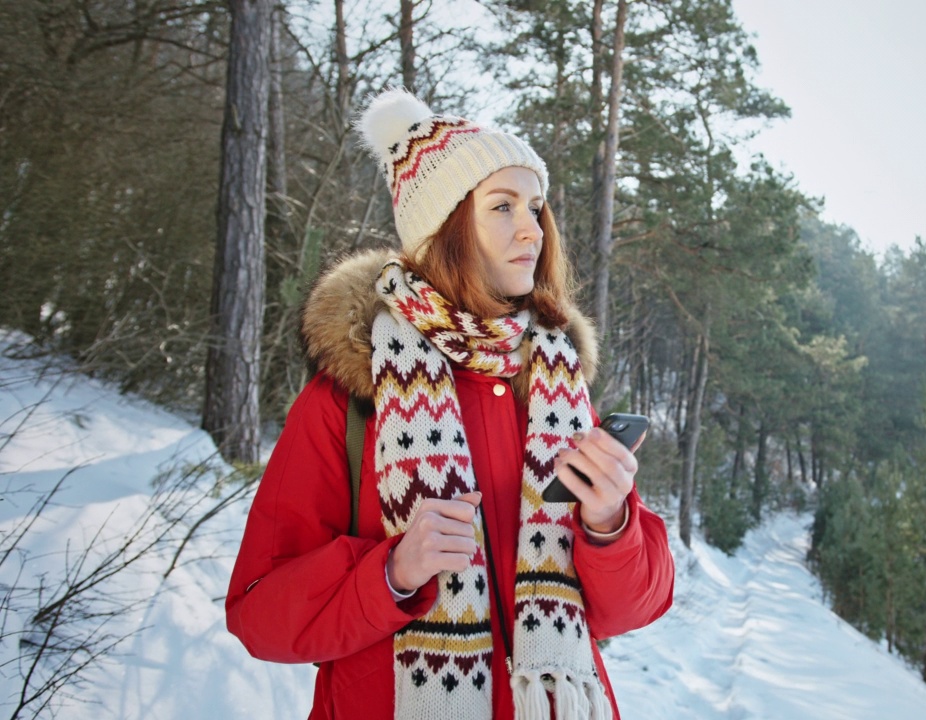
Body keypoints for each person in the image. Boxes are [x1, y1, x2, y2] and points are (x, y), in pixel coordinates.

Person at [225, 88, 675, 720]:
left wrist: (610, 525)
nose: (532, 229)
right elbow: (258, 612)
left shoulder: (553, 386)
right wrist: (392, 573)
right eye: (502, 206)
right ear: (444, 228)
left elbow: (638, 605)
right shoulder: (351, 398)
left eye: (536, 207)